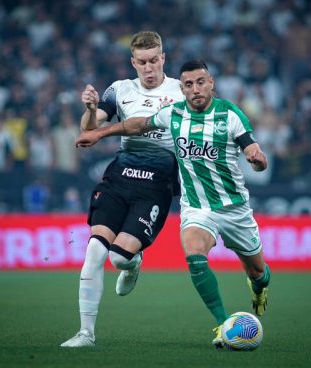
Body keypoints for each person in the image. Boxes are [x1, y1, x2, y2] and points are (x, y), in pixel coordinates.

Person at [76, 59, 271, 349]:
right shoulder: (175, 113)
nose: (195, 89)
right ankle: (223, 324)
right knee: (194, 254)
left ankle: (259, 287)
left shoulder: (229, 114)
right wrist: (99, 133)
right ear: (182, 88)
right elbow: (138, 124)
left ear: (211, 83)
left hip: (233, 208)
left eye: (200, 82)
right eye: (189, 85)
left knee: (257, 271)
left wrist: (257, 159)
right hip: (196, 207)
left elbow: (252, 149)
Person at [60, 31, 184, 348]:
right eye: (142, 62)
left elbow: (147, 127)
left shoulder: (180, 91)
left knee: (118, 259)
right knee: (94, 250)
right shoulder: (120, 90)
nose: (149, 67)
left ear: (163, 59)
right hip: (119, 177)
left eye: (154, 60)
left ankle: (133, 263)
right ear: (133, 62)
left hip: (157, 184)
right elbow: (89, 128)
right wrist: (89, 109)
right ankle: (85, 333)